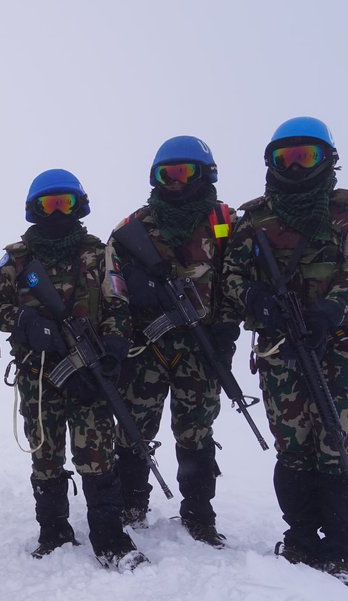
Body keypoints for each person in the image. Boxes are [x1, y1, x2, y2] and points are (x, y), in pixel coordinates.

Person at [223, 117, 348, 595]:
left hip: (338, 348)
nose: (295, 167)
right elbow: (231, 277)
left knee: (336, 445)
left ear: (327, 159)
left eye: (306, 156)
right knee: (293, 449)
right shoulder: (252, 218)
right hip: (279, 351)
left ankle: (340, 550)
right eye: (285, 158)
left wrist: (329, 311)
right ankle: (298, 538)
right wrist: (253, 298)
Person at [0, 169, 147, 570]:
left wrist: (113, 345)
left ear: (79, 206)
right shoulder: (17, 258)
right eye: (49, 204)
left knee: (96, 454)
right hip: (38, 373)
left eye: (65, 203)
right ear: (34, 209)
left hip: (89, 370)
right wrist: (26, 321)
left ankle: (110, 538)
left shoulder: (98, 252)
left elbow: (116, 303)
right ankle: (54, 531)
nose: (58, 212)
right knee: (45, 453)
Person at [102, 136, 241, 546]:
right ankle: (132, 502)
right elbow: (113, 290)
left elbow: (241, 276)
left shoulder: (226, 221)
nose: (176, 183)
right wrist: (119, 337)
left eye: (184, 174)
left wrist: (227, 330)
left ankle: (199, 513)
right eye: (168, 175)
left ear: (205, 175)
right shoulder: (131, 230)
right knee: (132, 429)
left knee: (195, 430)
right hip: (146, 346)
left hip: (202, 348)